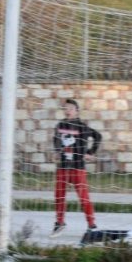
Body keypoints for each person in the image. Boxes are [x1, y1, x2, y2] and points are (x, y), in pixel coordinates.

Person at [50, 98, 101, 237]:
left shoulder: (82, 127)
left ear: (77, 111)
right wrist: (56, 151)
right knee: (59, 195)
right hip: (63, 167)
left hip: (78, 167)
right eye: (65, 108)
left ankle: (92, 225)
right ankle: (59, 223)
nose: (67, 111)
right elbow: (56, 140)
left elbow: (98, 136)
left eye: (70, 108)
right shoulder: (60, 125)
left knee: (83, 197)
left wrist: (91, 152)